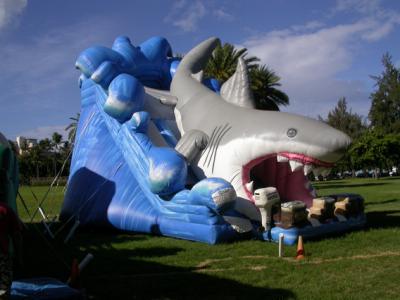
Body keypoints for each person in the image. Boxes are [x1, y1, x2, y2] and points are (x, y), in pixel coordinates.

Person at [0, 201, 22, 300]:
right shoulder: (6, 209)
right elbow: (16, 236)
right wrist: (19, 256)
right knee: (3, 292)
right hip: (2, 258)